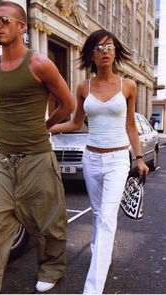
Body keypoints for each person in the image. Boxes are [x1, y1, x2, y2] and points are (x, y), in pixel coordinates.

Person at [0, 2, 75, 294]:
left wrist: (47, 126)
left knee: (49, 224)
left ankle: (51, 267)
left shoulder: (39, 64)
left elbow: (69, 105)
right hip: (5, 160)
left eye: (3, 20)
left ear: (21, 27)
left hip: (38, 158)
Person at [49, 29, 149, 294]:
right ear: (91, 55)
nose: (104, 52)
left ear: (115, 52)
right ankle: (100, 250)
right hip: (91, 158)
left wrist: (139, 158)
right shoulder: (84, 87)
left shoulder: (128, 86)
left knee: (106, 219)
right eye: (98, 48)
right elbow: (75, 122)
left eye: (109, 47)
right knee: (97, 214)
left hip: (117, 159)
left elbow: (130, 126)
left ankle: (92, 288)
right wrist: (47, 128)